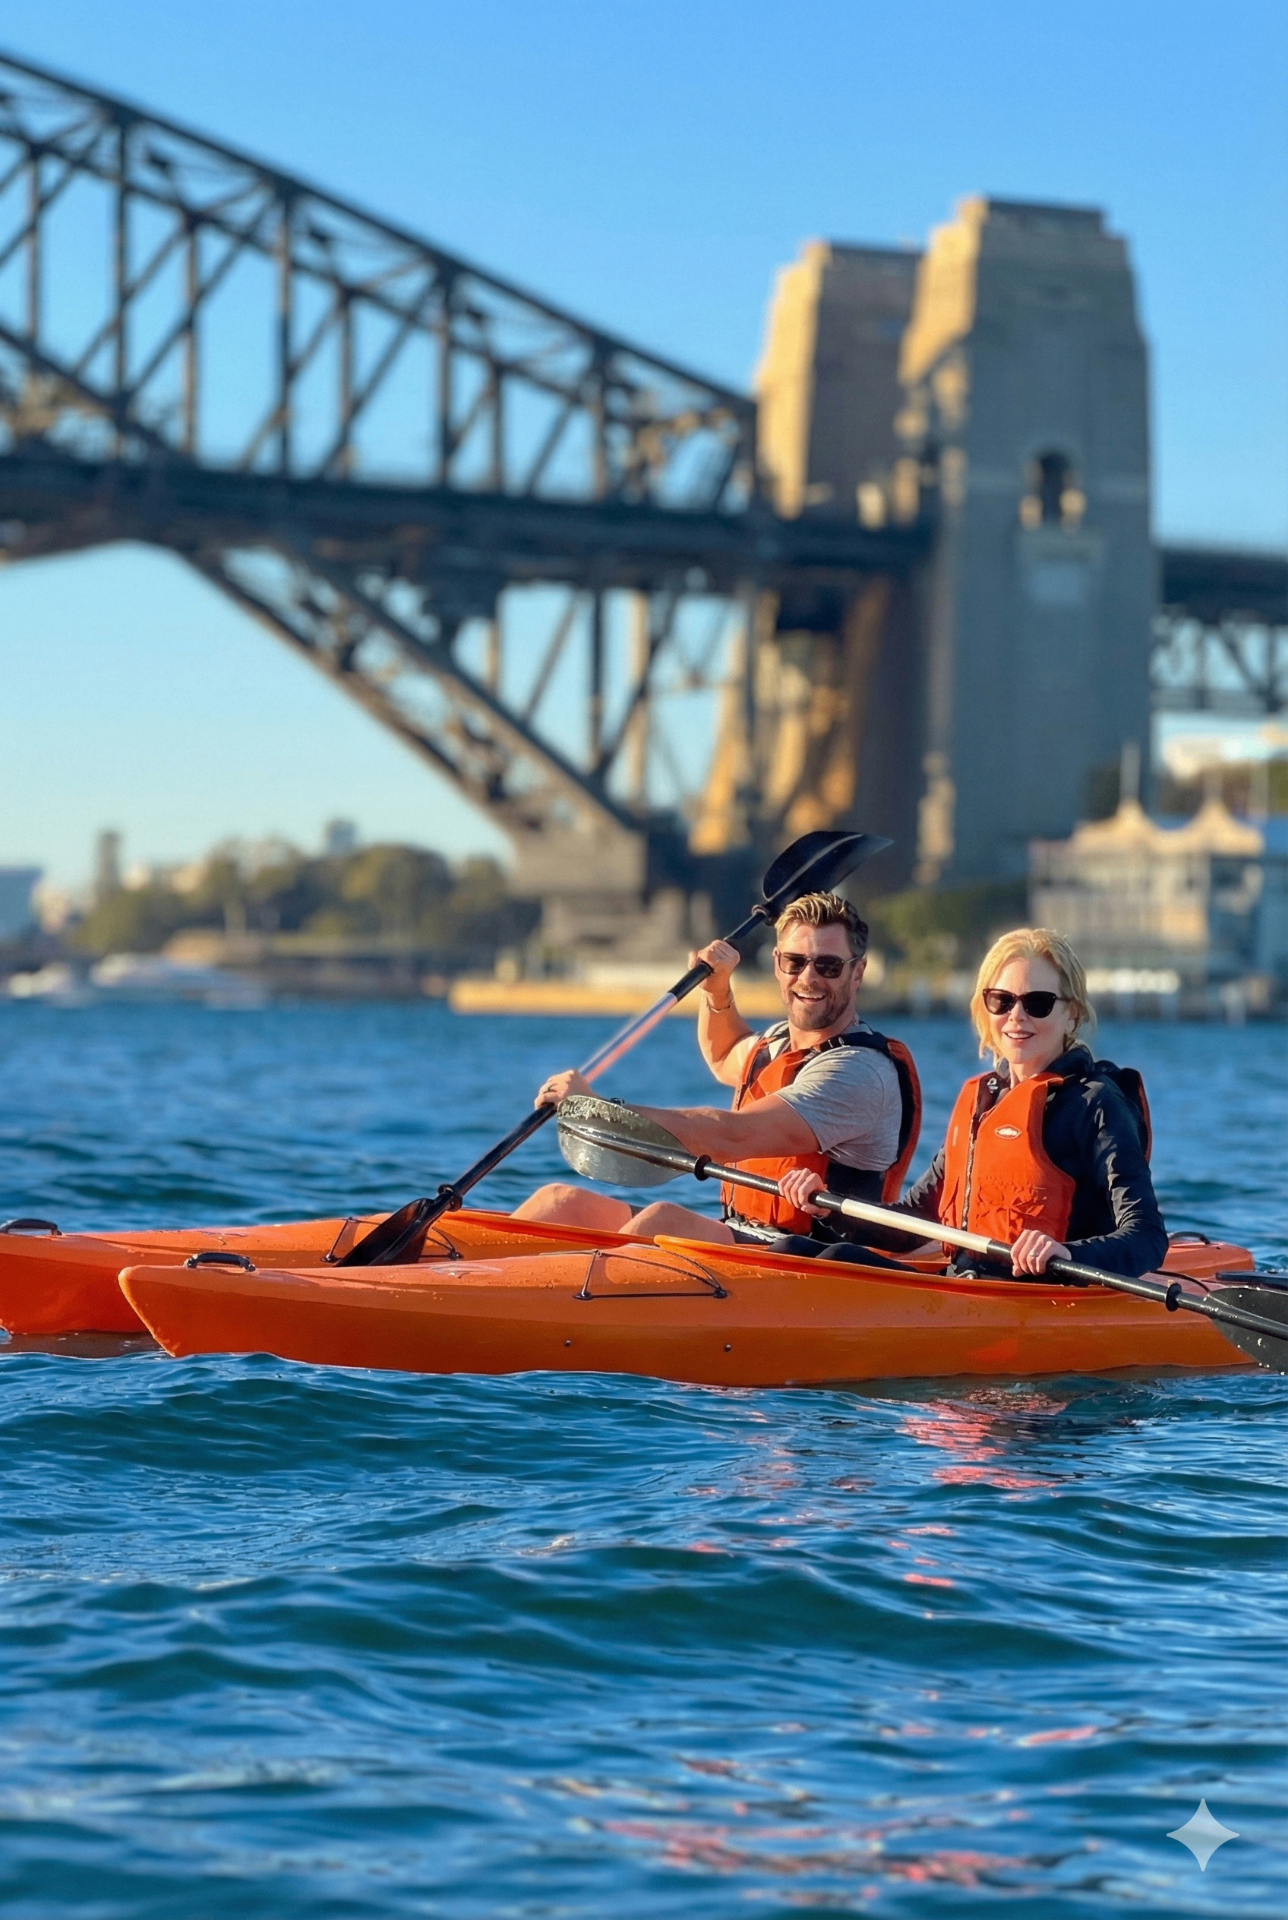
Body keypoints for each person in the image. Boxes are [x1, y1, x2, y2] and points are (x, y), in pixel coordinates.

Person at [514, 892, 921, 1246]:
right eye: (795, 962)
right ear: (778, 963)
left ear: (857, 972)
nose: (808, 978)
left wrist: (598, 1108)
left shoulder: (858, 1072)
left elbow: (733, 1134)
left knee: (663, 1221)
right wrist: (717, 990)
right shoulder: (778, 1042)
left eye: (828, 966)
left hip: (815, 1260)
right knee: (558, 1202)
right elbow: (725, 1054)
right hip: (744, 1236)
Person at [780, 926, 1168, 1278]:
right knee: (797, 1250)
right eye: (1001, 1000)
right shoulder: (983, 1100)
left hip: (1040, 1292)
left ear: (1073, 1014)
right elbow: (917, 1220)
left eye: (1038, 1003)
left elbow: (1146, 1236)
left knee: (832, 1266)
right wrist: (830, 1207)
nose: (1016, 1017)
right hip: (965, 1281)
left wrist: (1064, 1252)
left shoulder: (1096, 1104)